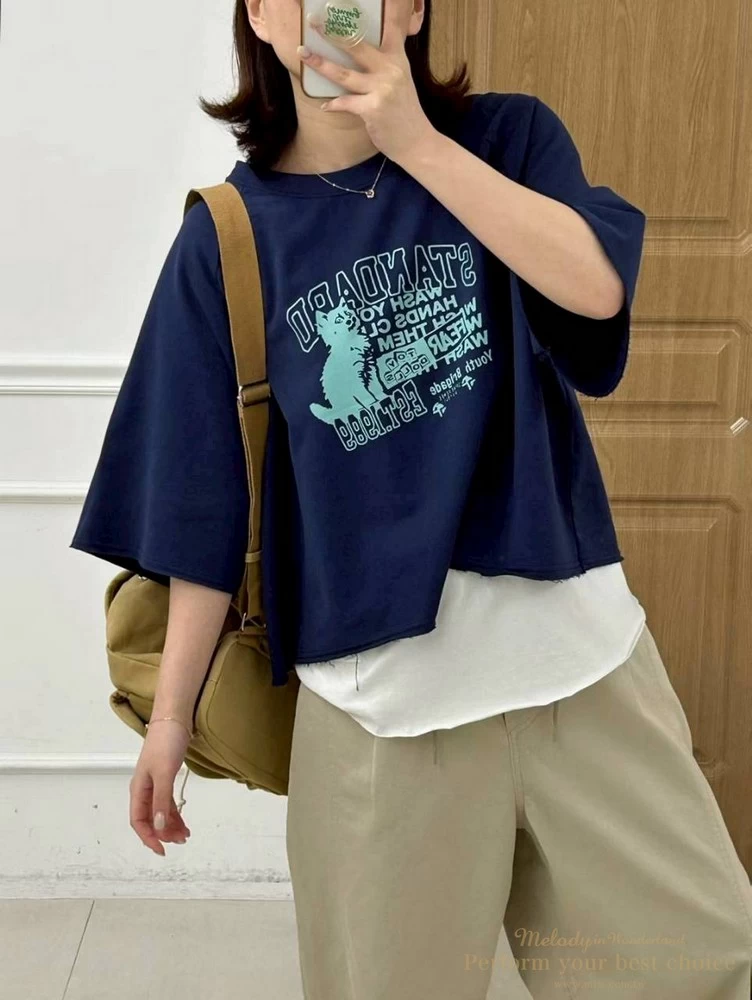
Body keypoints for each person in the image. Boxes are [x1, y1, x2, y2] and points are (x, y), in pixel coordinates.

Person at [69, 1, 752, 997]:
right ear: (261, 13)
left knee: (699, 971)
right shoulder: (228, 239)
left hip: (582, 673)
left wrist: (416, 144)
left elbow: (595, 290)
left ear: (413, 8)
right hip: (382, 718)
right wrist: (169, 719)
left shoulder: (507, 140)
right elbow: (197, 501)